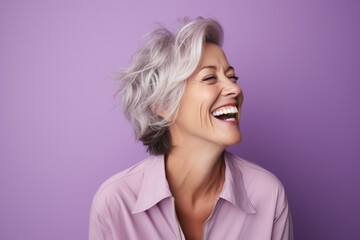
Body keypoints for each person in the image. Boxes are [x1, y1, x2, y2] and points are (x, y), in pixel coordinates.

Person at [89, 17, 293, 240]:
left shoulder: (268, 194)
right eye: (209, 78)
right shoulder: (115, 203)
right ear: (164, 105)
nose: (234, 88)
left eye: (232, 77)